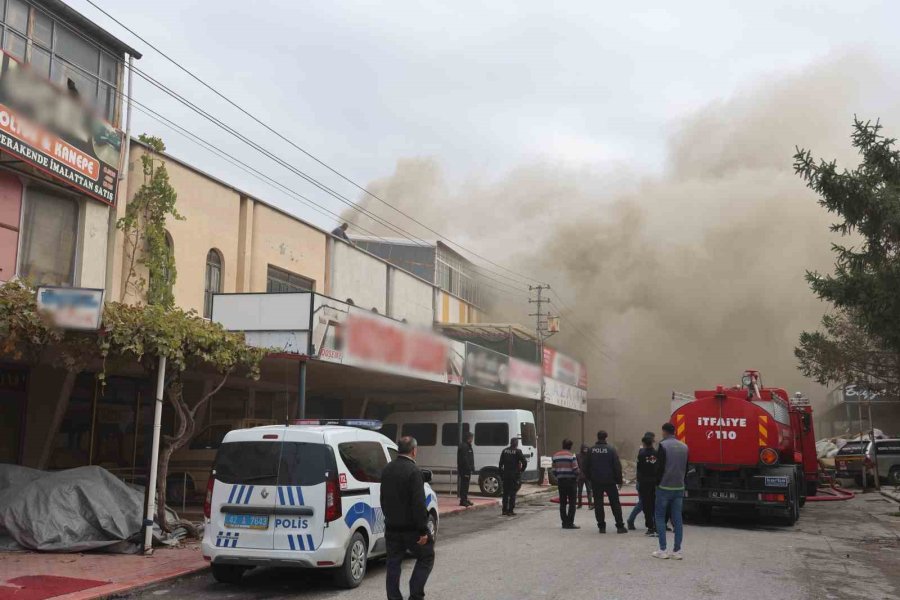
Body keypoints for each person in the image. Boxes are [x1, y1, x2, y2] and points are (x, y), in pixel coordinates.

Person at [380, 436, 434, 600]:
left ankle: (394, 597)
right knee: (426, 556)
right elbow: (418, 504)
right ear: (414, 450)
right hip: (411, 529)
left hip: (391, 527)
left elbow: (383, 498)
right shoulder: (414, 471)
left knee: (393, 563)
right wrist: (423, 530)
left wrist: (389, 518)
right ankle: (415, 594)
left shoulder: (387, 469)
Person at [653, 422, 689, 560]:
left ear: (664, 432)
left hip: (664, 487)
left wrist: (657, 483)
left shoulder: (663, 446)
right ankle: (677, 551)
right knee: (677, 519)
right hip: (679, 487)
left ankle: (663, 550)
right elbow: (686, 467)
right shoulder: (684, 447)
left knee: (660, 517)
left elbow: (659, 467)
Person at [585, 430, 627, 534]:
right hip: (610, 481)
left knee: (598, 504)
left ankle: (601, 527)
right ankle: (620, 526)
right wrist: (619, 480)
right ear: (606, 437)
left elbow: (585, 466)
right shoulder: (611, 449)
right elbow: (617, 466)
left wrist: (590, 478)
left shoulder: (591, 450)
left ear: (597, 437)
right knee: (615, 504)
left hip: (596, 482)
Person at [627, 431, 656, 529]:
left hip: (642, 481)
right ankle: (631, 520)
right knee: (643, 503)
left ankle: (651, 522)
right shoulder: (648, 452)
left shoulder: (642, 452)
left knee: (645, 503)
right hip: (645, 481)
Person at [552, 439, 580, 529]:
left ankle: (564, 523)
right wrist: (578, 474)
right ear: (570, 446)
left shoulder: (555, 456)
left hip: (561, 482)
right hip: (571, 481)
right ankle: (570, 523)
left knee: (563, 503)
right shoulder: (572, 456)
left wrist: (559, 475)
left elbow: (553, 470)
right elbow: (575, 469)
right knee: (572, 503)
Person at [635, 434, 659, 536]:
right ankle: (658, 526)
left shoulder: (641, 454)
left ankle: (650, 527)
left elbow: (639, 469)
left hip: (644, 483)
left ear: (644, 443)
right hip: (655, 482)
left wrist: (639, 481)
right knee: (656, 505)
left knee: (646, 506)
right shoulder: (657, 453)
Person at [498, 437, 528, 516]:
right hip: (514, 475)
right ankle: (510, 510)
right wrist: (521, 470)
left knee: (505, 493)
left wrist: (501, 474)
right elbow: (524, 462)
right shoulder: (518, 451)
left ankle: (504, 510)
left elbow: (500, 464)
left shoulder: (504, 451)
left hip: (506, 475)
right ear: (516, 443)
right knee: (512, 493)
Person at [457, 431, 475, 507]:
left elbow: (470, 458)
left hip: (467, 469)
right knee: (464, 485)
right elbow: (464, 459)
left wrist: (472, 467)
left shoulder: (468, 445)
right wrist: (468, 467)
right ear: (469, 438)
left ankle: (465, 499)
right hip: (464, 469)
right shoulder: (464, 446)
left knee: (466, 485)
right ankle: (463, 500)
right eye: (471, 437)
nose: (472, 439)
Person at [576, 444, 593, 510]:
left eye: (586, 448)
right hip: (581, 476)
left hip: (587, 476)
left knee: (589, 490)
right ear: (582, 449)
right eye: (584, 448)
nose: (585, 450)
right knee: (580, 491)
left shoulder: (590, 456)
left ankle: (590, 504)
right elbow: (576, 465)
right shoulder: (578, 456)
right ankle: (580, 504)